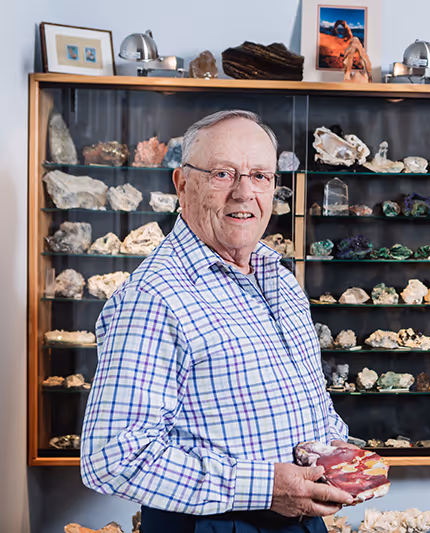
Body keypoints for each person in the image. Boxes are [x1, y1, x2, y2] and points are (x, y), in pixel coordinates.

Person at [81, 110, 354, 533]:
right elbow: (113, 459)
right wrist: (266, 487)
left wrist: (337, 450)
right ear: (182, 184)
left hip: (298, 516)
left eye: (260, 175)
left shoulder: (276, 276)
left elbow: (305, 401)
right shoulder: (153, 298)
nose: (245, 193)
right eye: (223, 174)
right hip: (212, 524)